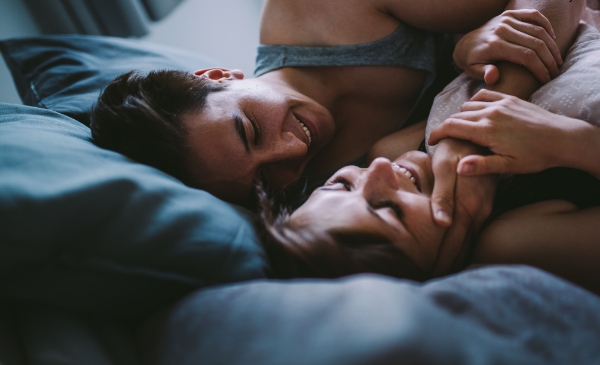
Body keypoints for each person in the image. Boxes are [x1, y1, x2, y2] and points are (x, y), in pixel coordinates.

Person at [89, 0, 568, 208]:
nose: (293, 156)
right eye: (263, 184)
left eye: (251, 130)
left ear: (216, 76)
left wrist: (480, 117)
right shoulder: (322, 197)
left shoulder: (327, 11)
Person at [258, 3, 600, 293]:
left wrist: (466, 51)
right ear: (435, 272)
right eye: (389, 210)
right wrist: (570, 142)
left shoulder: (397, 147)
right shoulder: (512, 241)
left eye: (341, 184)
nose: (377, 171)